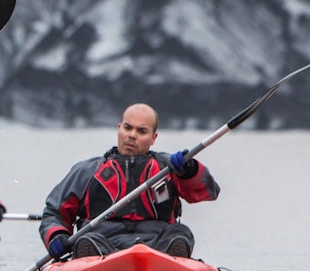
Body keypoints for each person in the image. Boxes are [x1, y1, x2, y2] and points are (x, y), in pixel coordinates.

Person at [39, 103, 219, 259]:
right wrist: (56, 236)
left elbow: (209, 192)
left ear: (153, 138)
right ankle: (90, 258)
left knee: (180, 233)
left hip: (158, 244)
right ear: (119, 129)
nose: (132, 135)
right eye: (128, 128)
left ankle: (171, 262)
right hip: (102, 243)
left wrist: (189, 171)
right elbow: (54, 213)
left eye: (141, 131)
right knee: (86, 239)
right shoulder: (87, 170)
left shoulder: (169, 167)